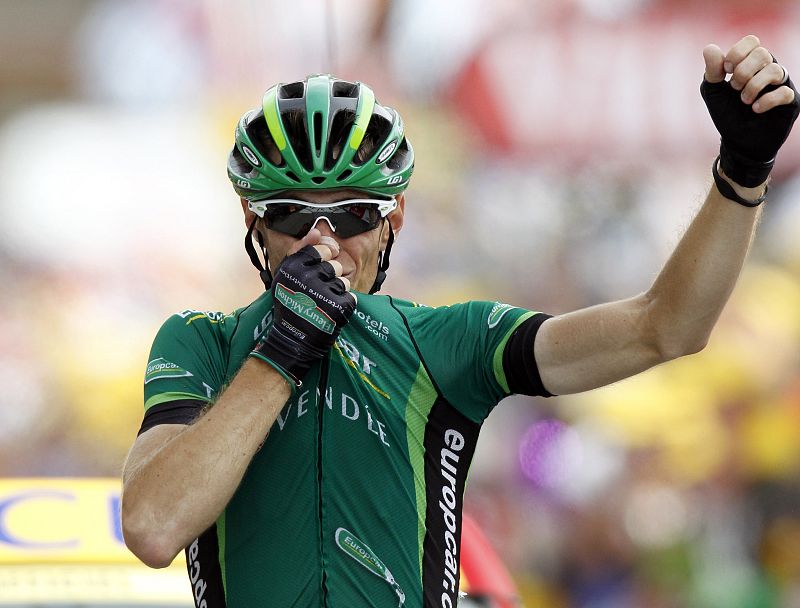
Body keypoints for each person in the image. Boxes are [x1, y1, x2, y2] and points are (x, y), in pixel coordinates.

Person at [121, 36, 798, 608]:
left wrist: (742, 172)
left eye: (355, 213)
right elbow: (153, 527)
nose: (322, 241)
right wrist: (280, 352)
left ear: (396, 220)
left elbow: (665, 327)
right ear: (253, 222)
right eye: (292, 215)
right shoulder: (201, 341)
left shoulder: (445, 339)